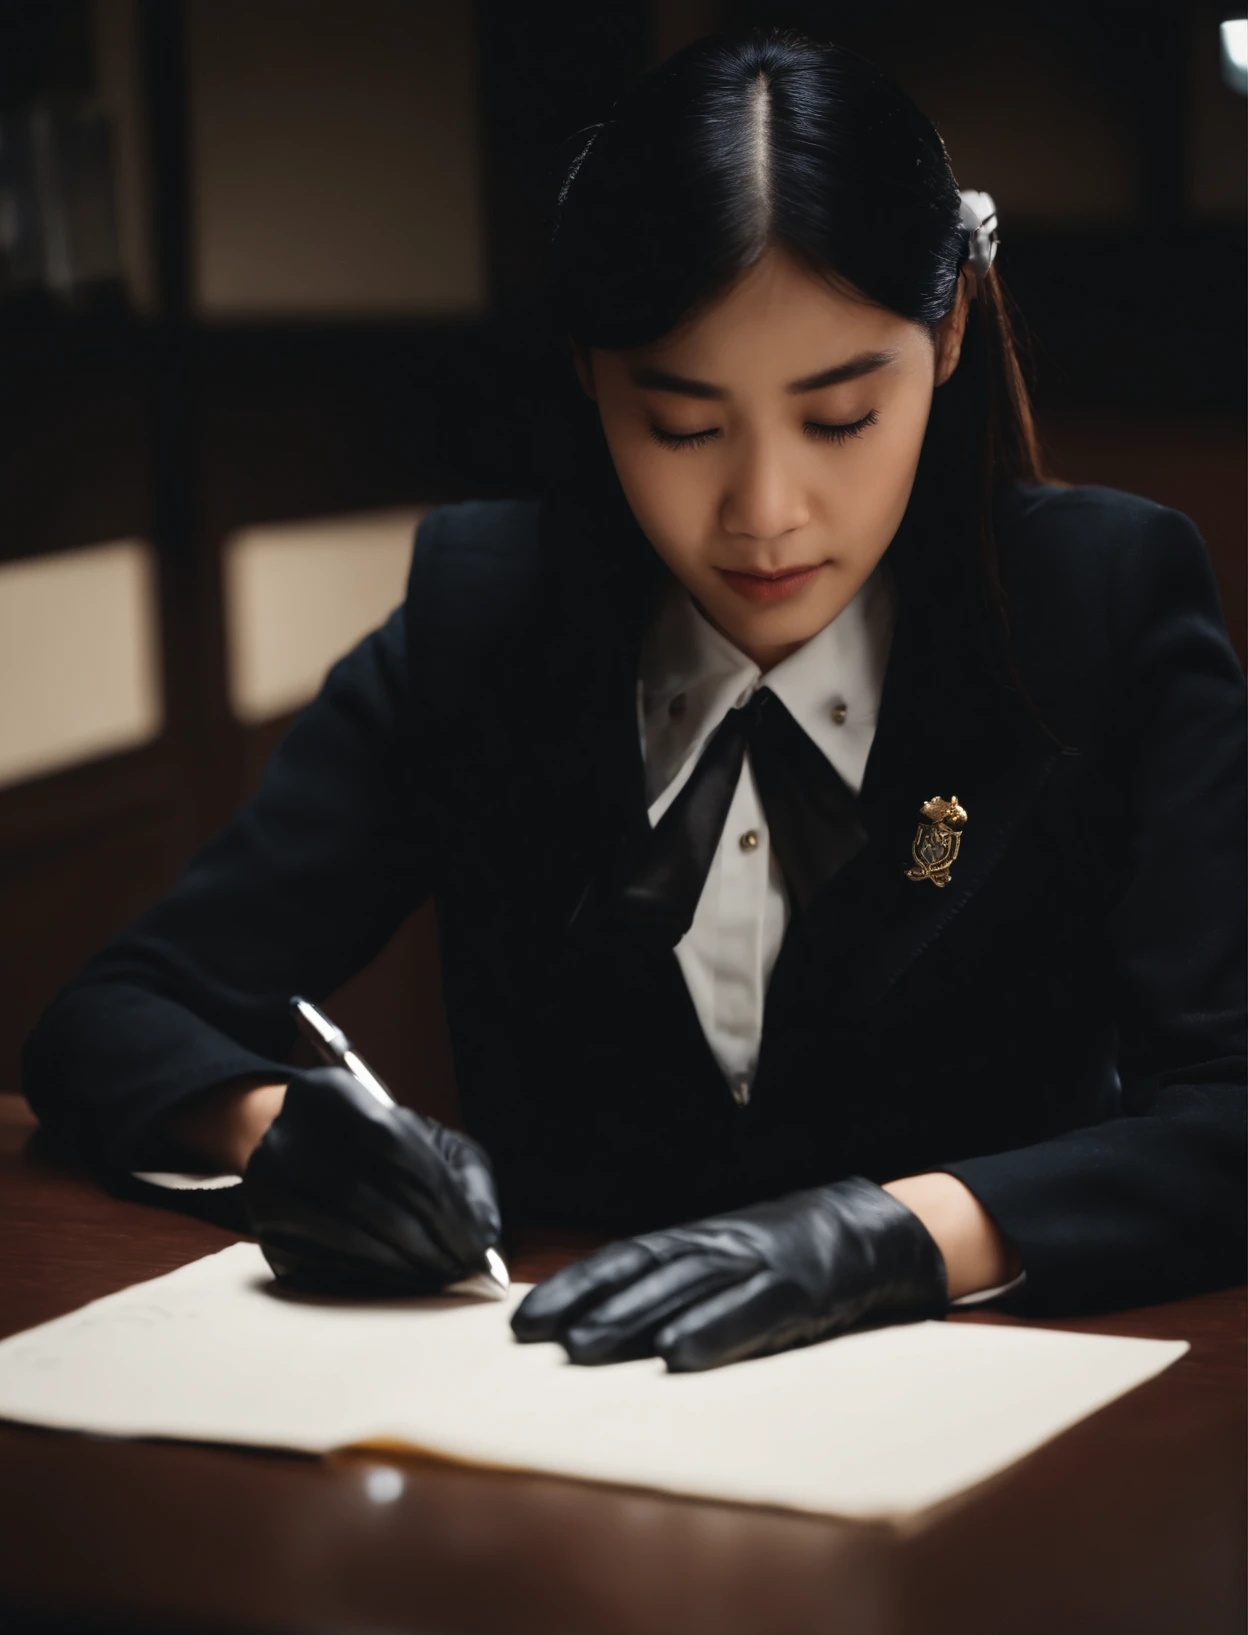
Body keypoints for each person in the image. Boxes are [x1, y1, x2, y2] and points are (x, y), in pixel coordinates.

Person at [21, 28, 1246, 1372]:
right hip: (561, 1427)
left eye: (840, 418)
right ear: (590, 371)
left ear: (948, 331)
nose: (765, 514)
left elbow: (1229, 1112)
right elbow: (116, 1013)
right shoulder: (490, 614)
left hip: (996, 1429)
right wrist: (278, 1132)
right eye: (682, 425)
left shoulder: (1100, 603)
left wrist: (896, 1236)